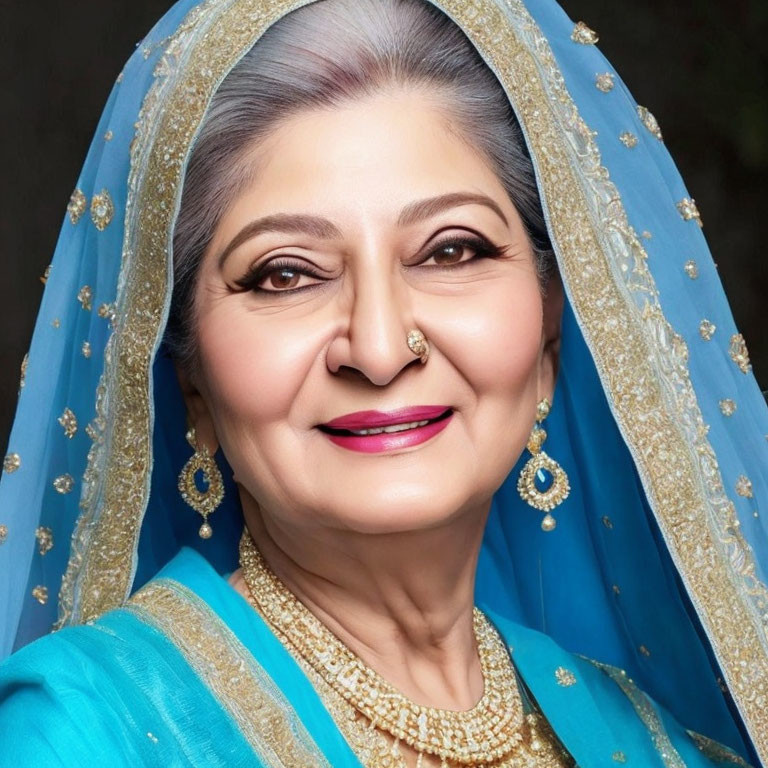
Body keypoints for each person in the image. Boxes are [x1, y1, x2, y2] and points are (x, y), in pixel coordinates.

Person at [0, 0, 765, 764]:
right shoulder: (85, 733)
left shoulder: (666, 750)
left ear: (550, 338)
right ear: (191, 377)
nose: (378, 348)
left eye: (451, 252)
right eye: (286, 274)